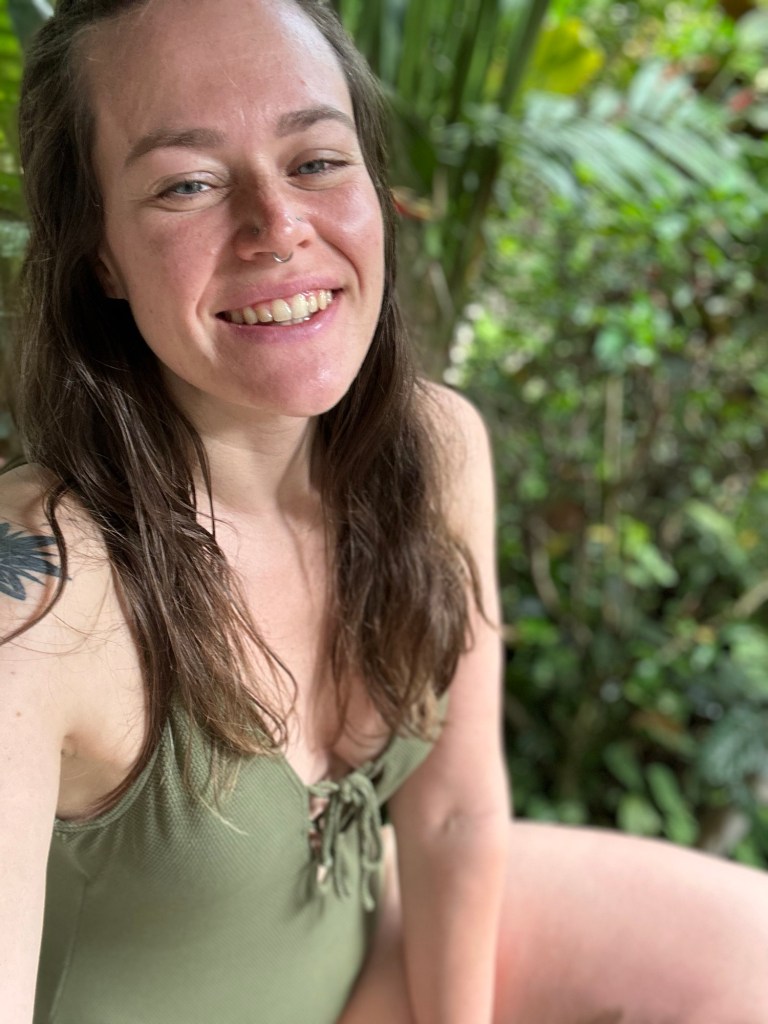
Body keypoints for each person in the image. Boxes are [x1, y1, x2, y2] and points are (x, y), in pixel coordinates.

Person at [1, 0, 767, 1022]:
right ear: (98, 249)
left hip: (356, 980)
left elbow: (450, 816)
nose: (279, 226)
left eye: (317, 161)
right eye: (188, 183)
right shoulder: (38, 595)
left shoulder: (433, 452)